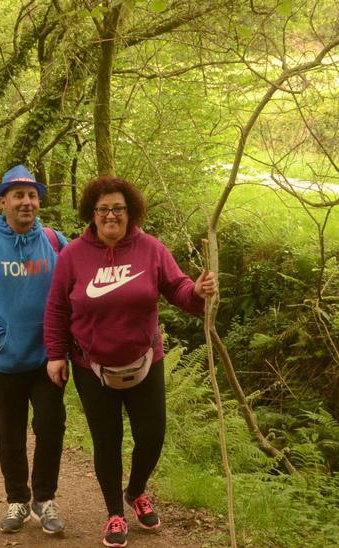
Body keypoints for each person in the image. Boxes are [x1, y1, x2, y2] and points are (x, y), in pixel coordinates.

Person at [43, 176, 217, 548]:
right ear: (92, 213)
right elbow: (57, 307)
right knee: (107, 442)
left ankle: (135, 491)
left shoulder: (151, 249)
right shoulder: (72, 255)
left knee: (152, 437)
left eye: (118, 209)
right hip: (92, 367)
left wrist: (198, 292)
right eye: (103, 208)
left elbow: (178, 289)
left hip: (145, 362)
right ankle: (114, 515)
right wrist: (55, 355)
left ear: (130, 212)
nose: (111, 215)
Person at [0, 165, 70, 536]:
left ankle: (44, 498)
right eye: (18, 195)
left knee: (51, 426)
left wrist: (66, 344)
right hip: (2, 363)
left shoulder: (56, 242)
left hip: (48, 360)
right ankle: (17, 500)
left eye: (32, 195)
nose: (26, 202)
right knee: (9, 434)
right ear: (3, 201)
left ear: (39, 201)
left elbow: (76, 291)